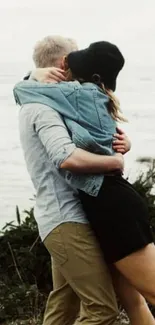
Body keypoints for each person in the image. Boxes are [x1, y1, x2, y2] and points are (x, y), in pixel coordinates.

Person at [14, 39, 155, 325]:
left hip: (100, 209)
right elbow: (65, 156)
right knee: (104, 304)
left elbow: (21, 90)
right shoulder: (47, 106)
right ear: (62, 63)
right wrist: (115, 158)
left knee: (117, 301)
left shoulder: (68, 98)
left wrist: (31, 77)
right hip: (75, 215)